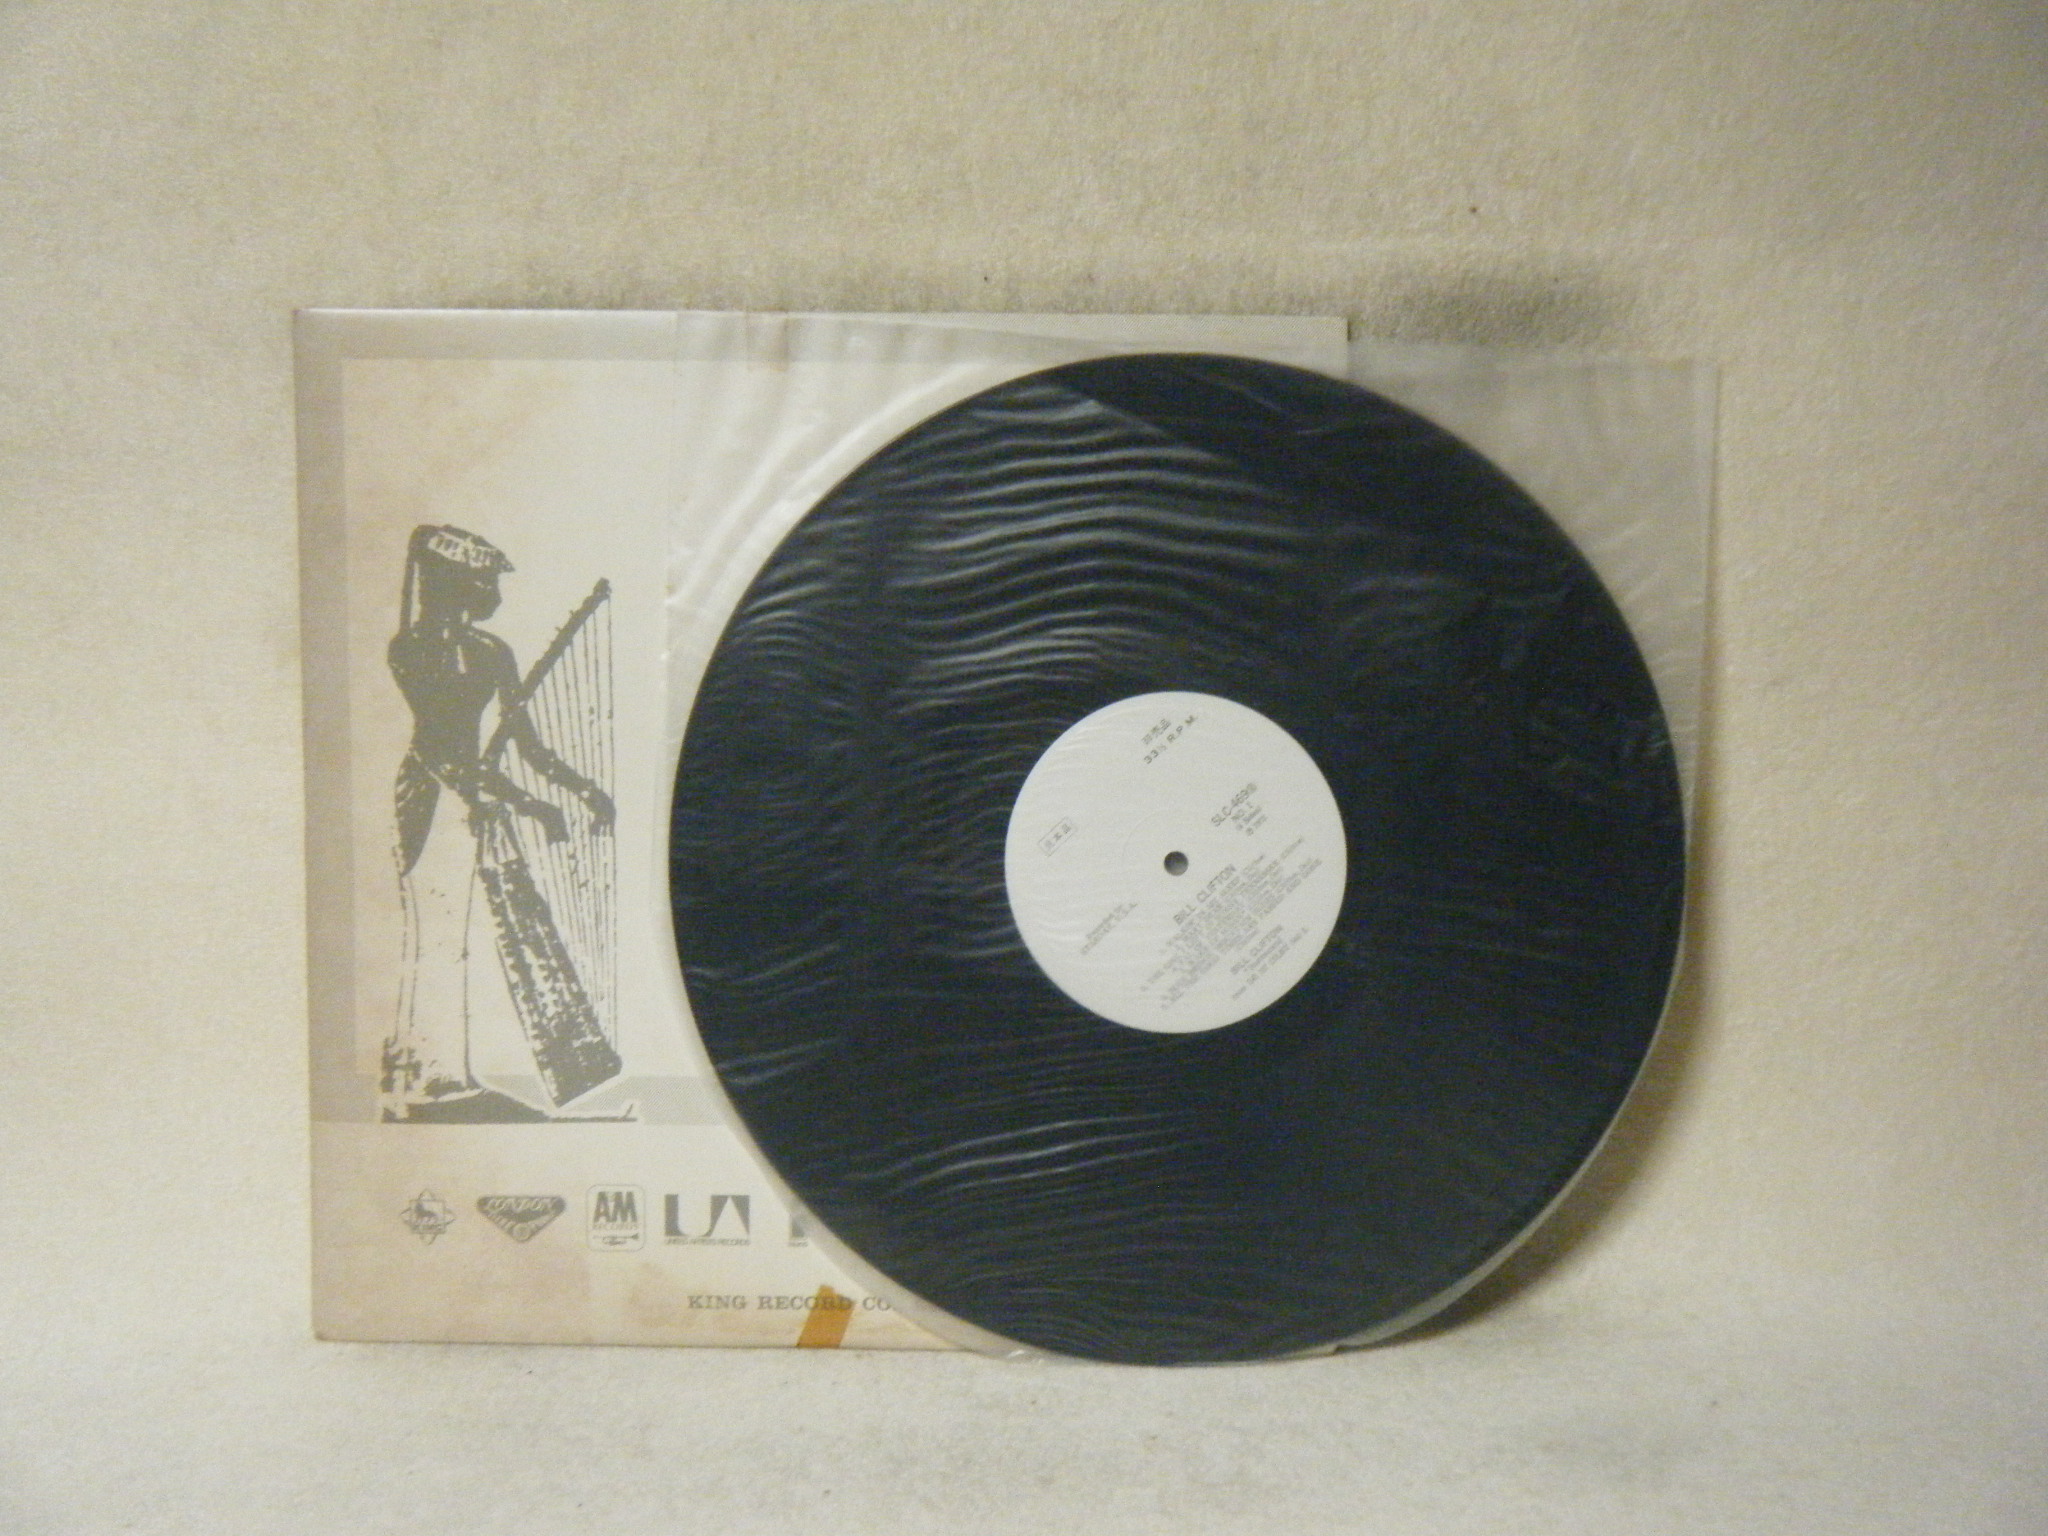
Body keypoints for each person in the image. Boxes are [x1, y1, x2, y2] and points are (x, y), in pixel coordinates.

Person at [382, 525, 614, 1122]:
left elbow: (527, 747)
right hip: (429, 793)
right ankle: (426, 1081)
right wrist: (508, 799)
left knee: (456, 939)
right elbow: (439, 745)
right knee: (434, 935)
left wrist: (581, 791)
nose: (493, 593)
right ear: (451, 583)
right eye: (483, 581)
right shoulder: (409, 648)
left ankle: (439, 1077)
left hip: (471, 795)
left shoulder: (492, 651)